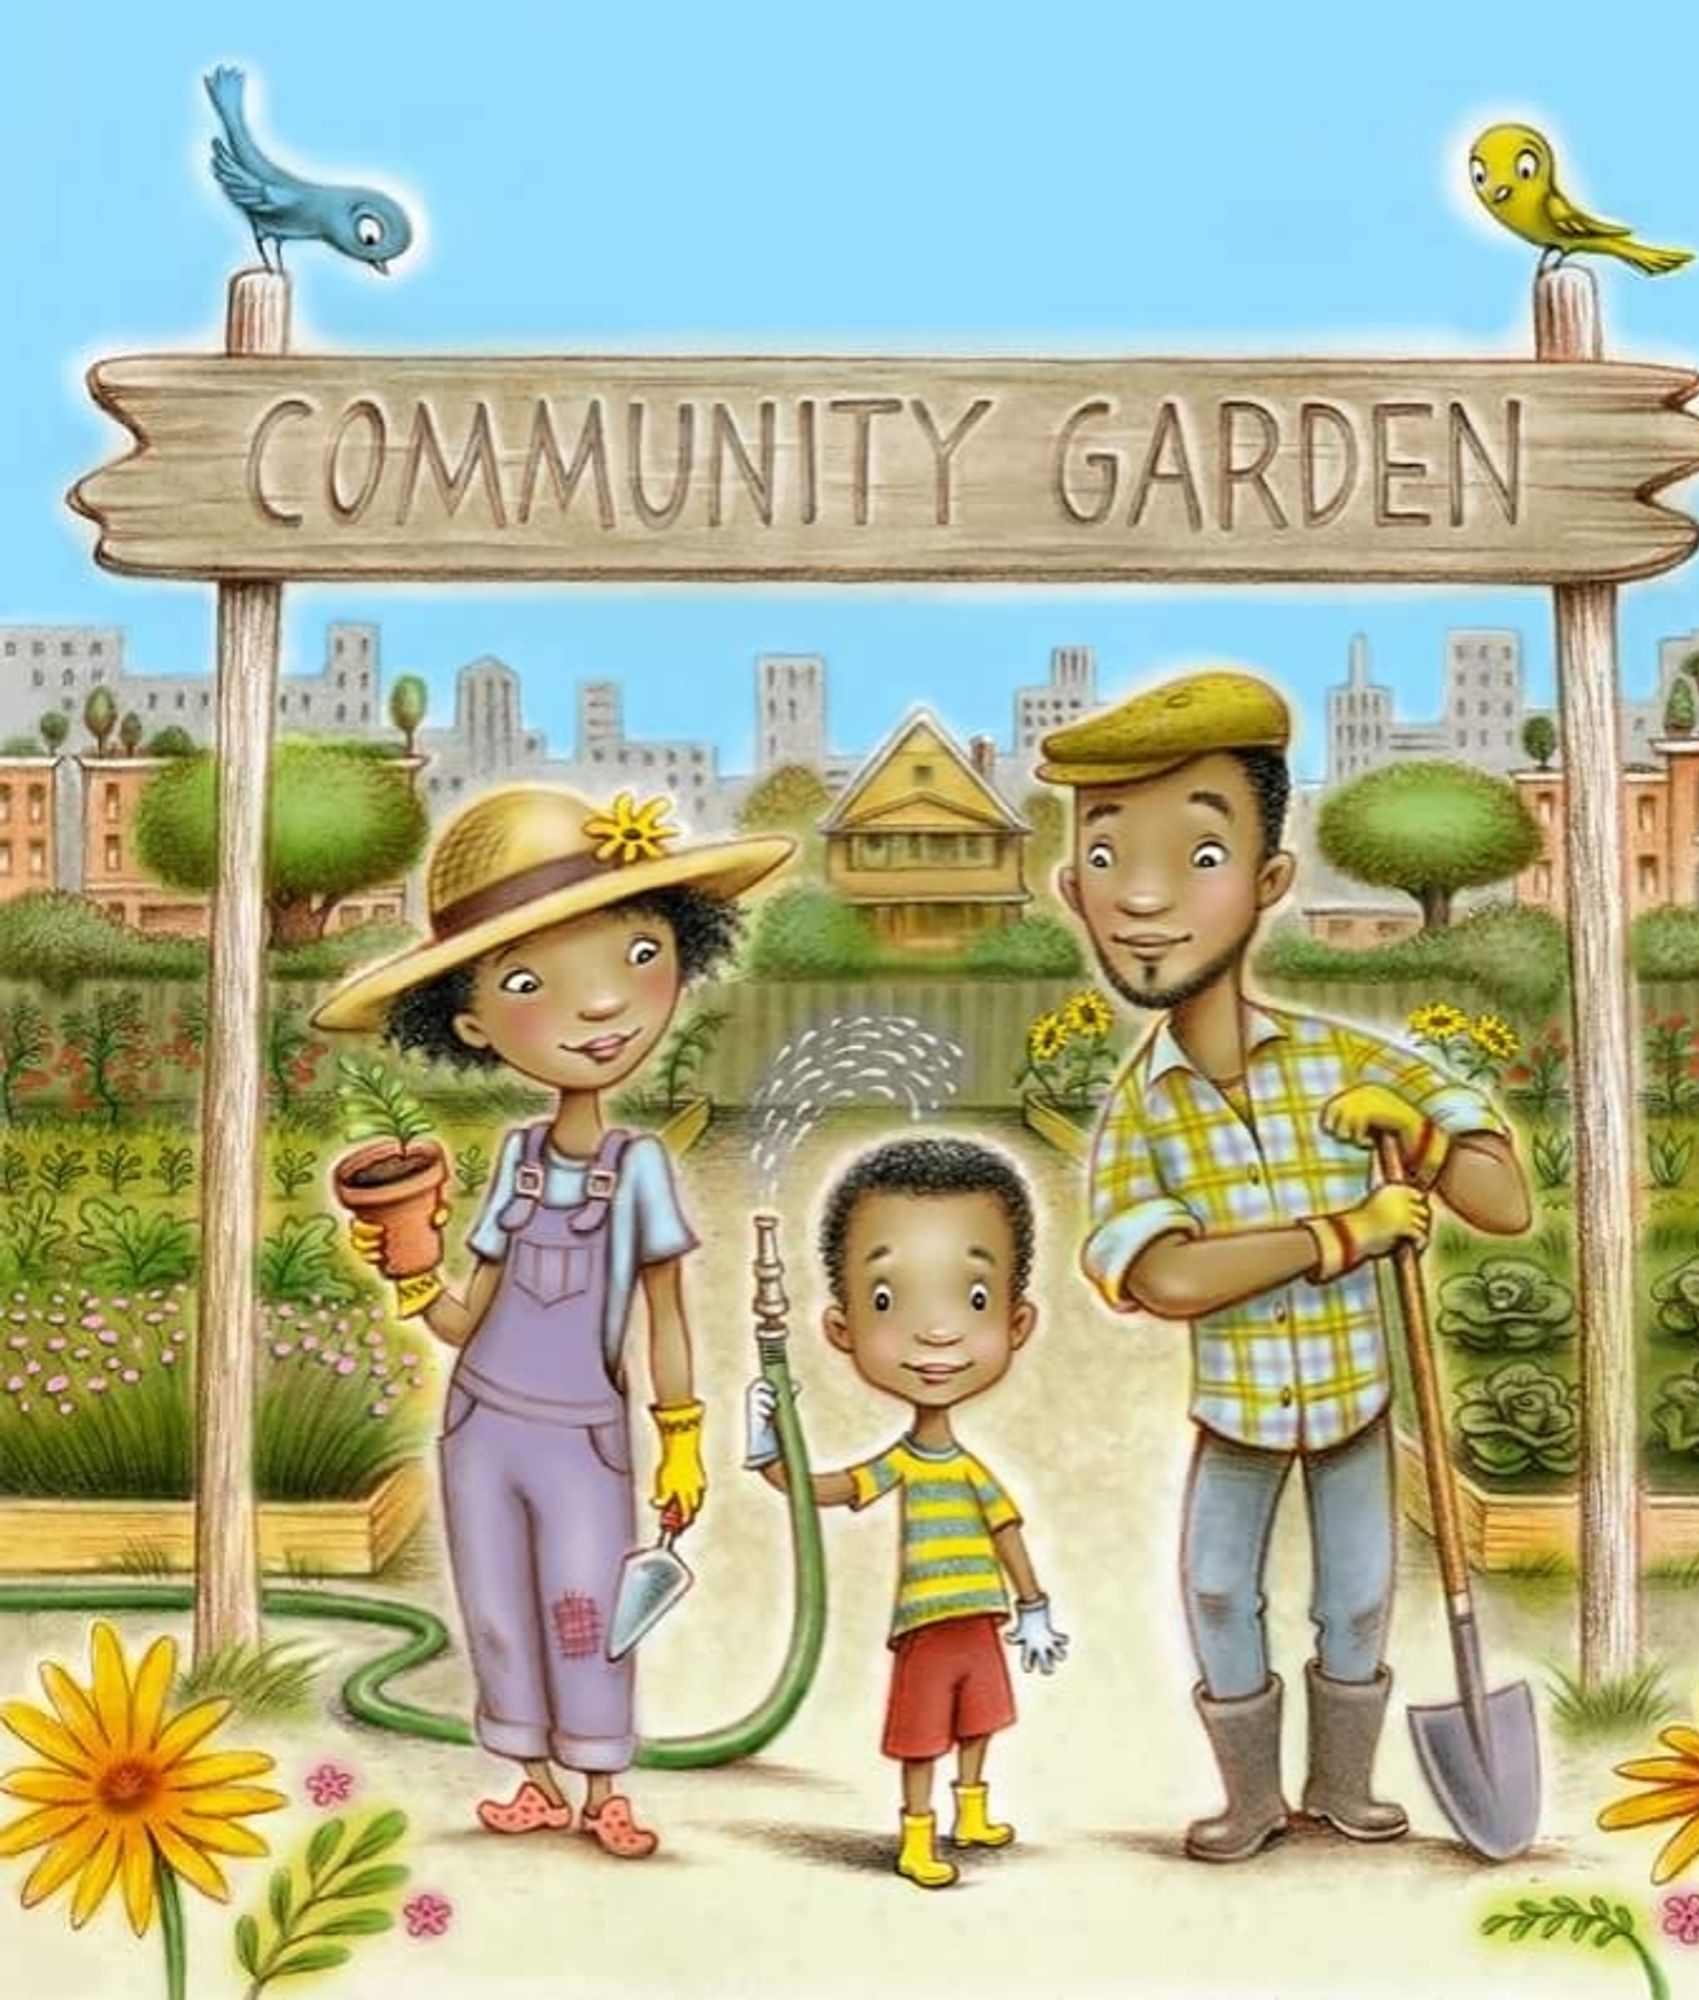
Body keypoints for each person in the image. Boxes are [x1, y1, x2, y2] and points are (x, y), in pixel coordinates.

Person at [1038, 669, 1531, 1863]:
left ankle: (1344, 1788)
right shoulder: (1140, 1115)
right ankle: (1250, 1795)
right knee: (1216, 1593)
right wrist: (1335, 1236)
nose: (1146, 897)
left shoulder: (1342, 1063)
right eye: (1108, 861)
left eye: (1196, 857)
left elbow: (1502, 1198)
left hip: (1354, 1405)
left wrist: (1418, 1134)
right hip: (1237, 1415)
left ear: (1265, 882)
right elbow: (1157, 1277)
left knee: (1357, 1594)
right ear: (1070, 891)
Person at [313, 784, 791, 1857]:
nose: (597, 1006)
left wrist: (679, 1434)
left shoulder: (638, 1168)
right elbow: (466, 1316)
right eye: (532, 982)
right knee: (494, 1603)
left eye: (636, 956)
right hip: (482, 1422)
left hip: (583, 1433)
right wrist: (411, 1269)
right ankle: (528, 1776)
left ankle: (603, 1785)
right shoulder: (516, 1164)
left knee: (588, 1606)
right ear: (476, 1023)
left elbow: (664, 1309)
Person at [743, 1136, 1069, 1889]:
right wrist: (769, 1451)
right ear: (841, 1328)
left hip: (978, 1618)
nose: (938, 1331)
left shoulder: (968, 1468)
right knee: (921, 1735)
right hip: (923, 1625)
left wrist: (1033, 1605)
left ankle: (972, 1808)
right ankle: (917, 1833)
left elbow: (1006, 1529)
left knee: (981, 1719)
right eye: (889, 1300)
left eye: (974, 1299)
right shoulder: (899, 1464)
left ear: (1015, 1324)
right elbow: (822, 1489)